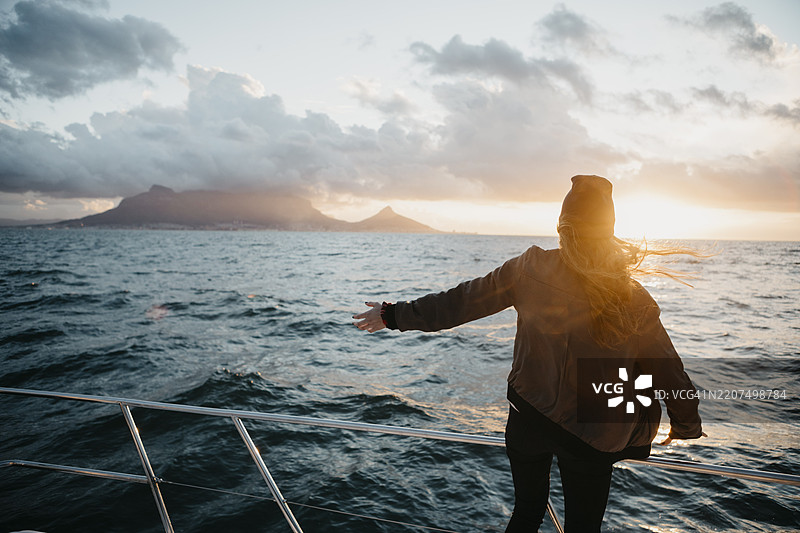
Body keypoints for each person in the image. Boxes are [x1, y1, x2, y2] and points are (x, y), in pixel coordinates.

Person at [353, 175, 704, 532]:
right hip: (592, 435)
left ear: (563, 228)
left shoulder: (530, 268)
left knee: (527, 512)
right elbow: (668, 373)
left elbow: (460, 302)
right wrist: (686, 425)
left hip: (528, 418)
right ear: (609, 231)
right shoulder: (634, 298)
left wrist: (392, 314)